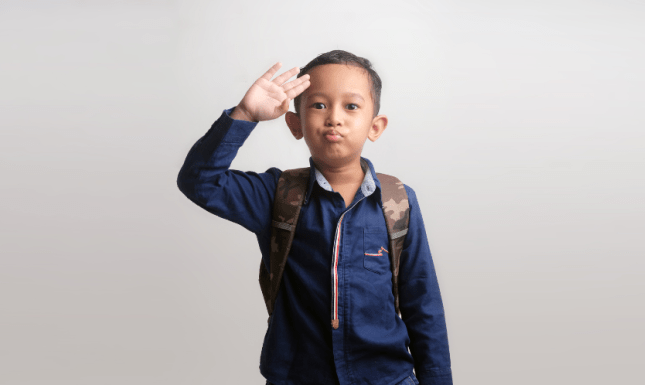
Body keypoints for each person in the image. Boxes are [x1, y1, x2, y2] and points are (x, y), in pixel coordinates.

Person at [177, 50, 452, 385]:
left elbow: (422, 304)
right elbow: (199, 181)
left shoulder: (398, 201)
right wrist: (245, 114)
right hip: (298, 376)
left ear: (375, 126)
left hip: (385, 378)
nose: (334, 117)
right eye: (319, 105)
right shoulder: (275, 195)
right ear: (295, 124)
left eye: (351, 106)